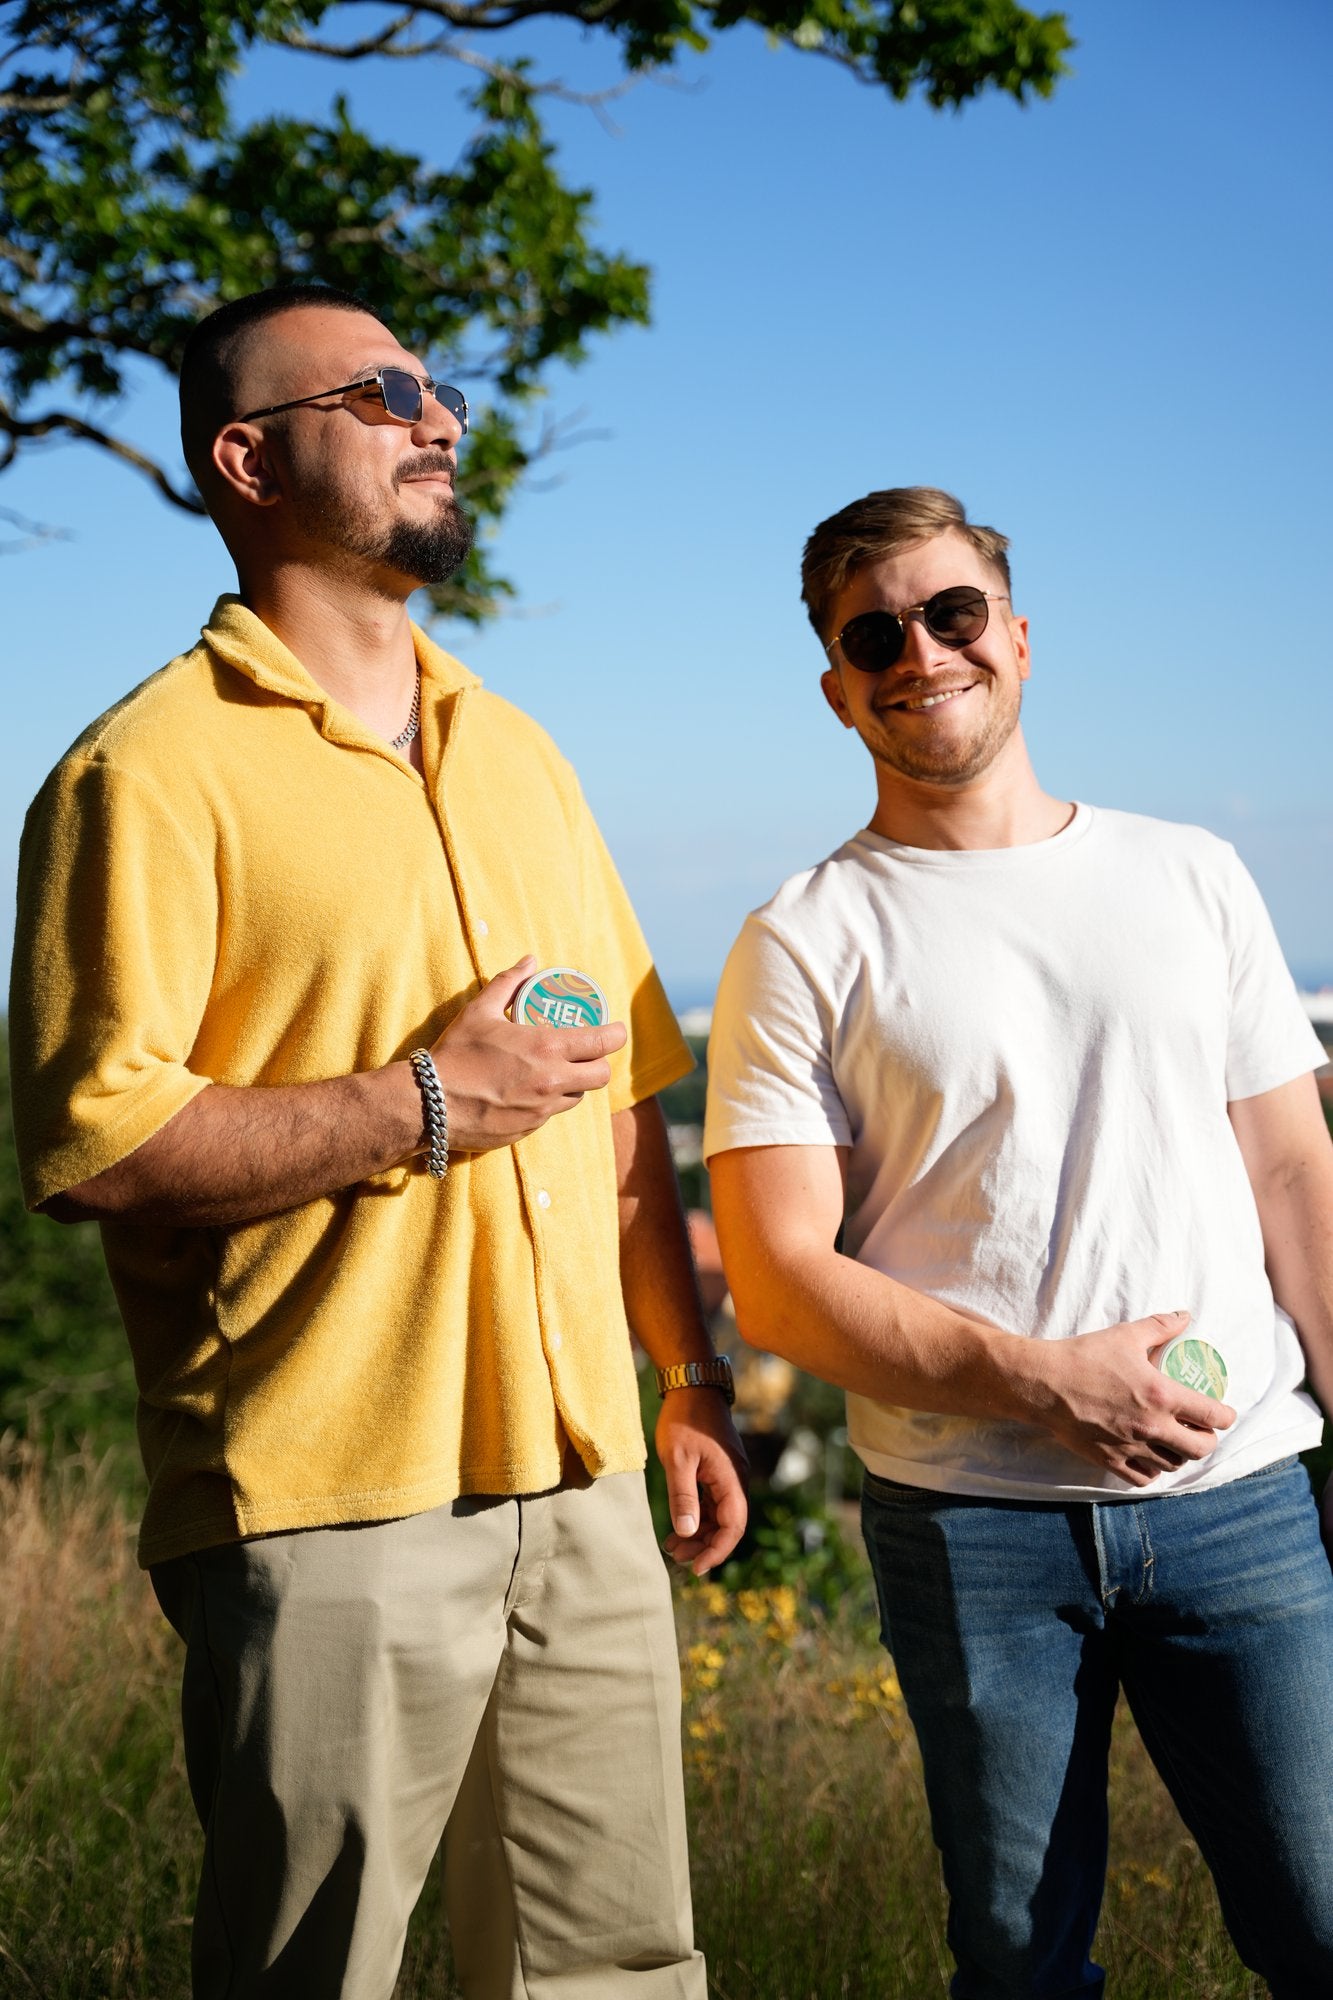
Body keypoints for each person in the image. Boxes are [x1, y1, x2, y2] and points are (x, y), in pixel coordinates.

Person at [9, 283, 746, 2000]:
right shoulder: (144, 773)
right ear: (245, 459)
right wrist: (416, 1106)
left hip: (586, 1483)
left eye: (442, 391)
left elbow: (626, 1099)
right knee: (311, 1977)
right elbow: (93, 1144)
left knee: (620, 1972)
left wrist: (685, 1377)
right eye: (384, 391)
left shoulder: (525, 757)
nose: (440, 416)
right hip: (321, 1501)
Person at [703, 485, 1333, 1999]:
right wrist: (1050, 1384)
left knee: (1322, 1925)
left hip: (1239, 1493)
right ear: (835, 686)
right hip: (965, 1523)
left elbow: (1294, 1173)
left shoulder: (1189, 872)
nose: (919, 651)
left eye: (950, 612)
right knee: (1016, 1959)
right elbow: (782, 1280)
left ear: (1019, 635)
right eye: (873, 634)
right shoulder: (798, 941)